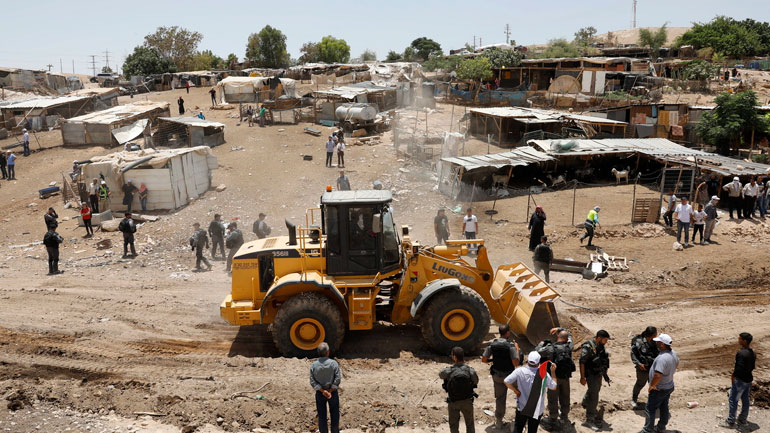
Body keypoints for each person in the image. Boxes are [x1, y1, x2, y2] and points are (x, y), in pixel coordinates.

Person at [505, 351, 558, 433]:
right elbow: (554, 386)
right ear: (539, 362)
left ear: (527, 361)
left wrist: (516, 391)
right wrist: (553, 372)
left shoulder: (519, 371)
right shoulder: (544, 374)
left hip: (522, 407)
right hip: (537, 410)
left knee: (518, 428)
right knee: (532, 430)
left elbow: (506, 381)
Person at [481, 325, 520, 429]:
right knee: (521, 393)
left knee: (500, 398)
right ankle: (521, 418)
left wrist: (492, 361)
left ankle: (498, 422)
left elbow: (484, 359)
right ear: (507, 332)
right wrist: (517, 349)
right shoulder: (510, 345)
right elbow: (516, 363)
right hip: (510, 377)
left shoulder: (492, 344)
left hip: (497, 376)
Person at [639, 334, 679, 433]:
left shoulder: (662, 358)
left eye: (658, 342)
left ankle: (648, 430)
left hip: (659, 388)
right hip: (669, 385)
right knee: (664, 406)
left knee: (650, 408)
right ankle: (661, 427)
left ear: (662, 344)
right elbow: (677, 363)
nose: (656, 343)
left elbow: (657, 375)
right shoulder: (673, 353)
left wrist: (652, 385)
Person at [720, 333, 756, 429]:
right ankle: (742, 419)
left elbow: (738, 368)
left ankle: (730, 421)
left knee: (733, 400)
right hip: (748, 379)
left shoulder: (741, 353)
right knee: (745, 400)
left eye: (740, 339)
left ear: (744, 341)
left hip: (740, 380)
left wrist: (733, 377)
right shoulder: (752, 352)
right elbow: (752, 367)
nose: (738, 340)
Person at [440, 347, 479, 433]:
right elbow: (476, 381)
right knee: (470, 424)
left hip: (453, 401)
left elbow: (441, 375)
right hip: (467, 401)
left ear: (454, 357)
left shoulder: (450, 370)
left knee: (453, 426)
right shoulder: (470, 370)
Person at [580, 329, 611, 431]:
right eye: (605, 339)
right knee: (594, 397)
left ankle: (585, 401)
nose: (606, 341)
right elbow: (582, 362)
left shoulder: (600, 345)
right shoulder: (588, 346)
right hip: (590, 374)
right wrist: (582, 377)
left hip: (598, 373)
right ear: (599, 338)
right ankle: (589, 420)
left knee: (596, 390)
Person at [310, 342, 342, 433]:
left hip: (320, 393)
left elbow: (312, 381)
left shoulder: (313, 365)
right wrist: (330, 390)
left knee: (322, 416)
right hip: (332, 392)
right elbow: (338, 378)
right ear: (327, 352)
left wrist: (323, 391)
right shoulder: (333, 363)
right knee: (335, 415)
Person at [630, 326, 659, 408]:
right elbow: (633, 353)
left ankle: (653, 401)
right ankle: (634, 399)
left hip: (653, 367)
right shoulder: (638, 341)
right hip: (643, 368)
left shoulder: (655, 341)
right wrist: (639, 364)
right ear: (653, 334)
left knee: (654, 384)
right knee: (640, 384)